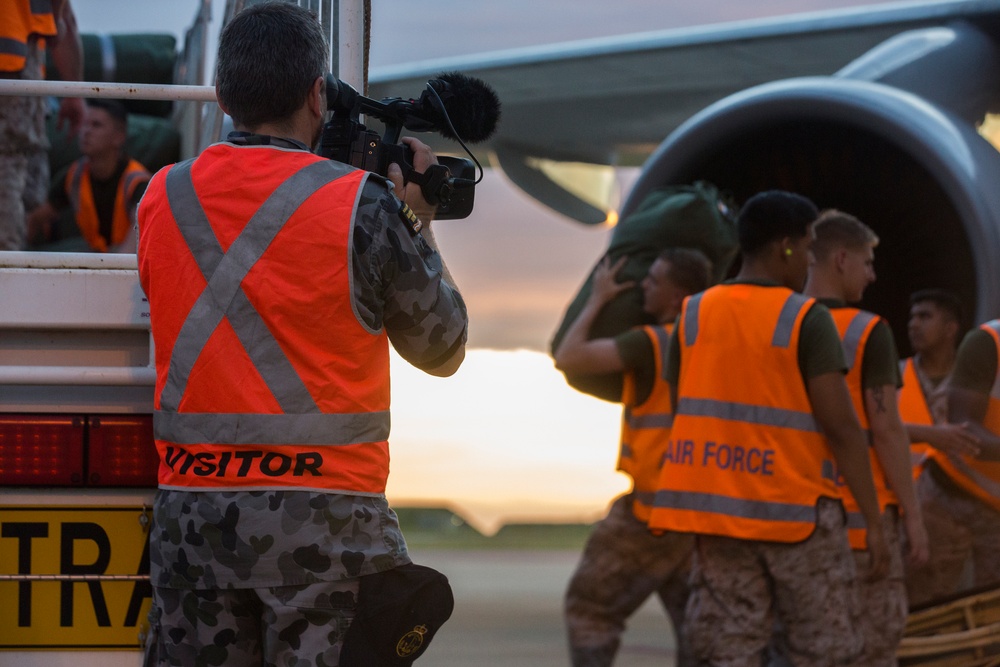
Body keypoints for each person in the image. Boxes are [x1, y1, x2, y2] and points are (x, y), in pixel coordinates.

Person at [136, 3, 468, 666]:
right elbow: (443, 345)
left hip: (195, 526)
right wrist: (419, 215)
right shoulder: (365, 204)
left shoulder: (161, 197)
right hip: (327, 533)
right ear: (318, 94)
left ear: (225, 97)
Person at [647, 190, 889, 667]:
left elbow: (684, 410)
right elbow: (842, 428)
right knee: (825, 651)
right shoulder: (806, 318)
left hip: (719, 519)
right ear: (785, 247)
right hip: (796, 518)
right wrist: (873, 522)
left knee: (729, 651)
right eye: (806, 247)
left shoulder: (693, 314)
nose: (809, 262)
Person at [554, 247, 713, 667]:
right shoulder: (717, 349)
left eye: (655, 280)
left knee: (590, 608)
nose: (645, 284)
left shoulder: (651, 344)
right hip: (702, 516)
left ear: (680, 299)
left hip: (651, 513)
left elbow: (569, 357)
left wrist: (598, 298)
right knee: (699, 629)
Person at [802, 210, 928, 665]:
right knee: (873, 646)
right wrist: (912, 516)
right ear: (840, 260)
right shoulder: (866, 331)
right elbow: (886, 429)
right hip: (859, 517)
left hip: (789, 521)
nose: (872, 275)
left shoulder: (774, 325)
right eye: (867, 262)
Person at [905, 317, 1000, 607]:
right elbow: (964, 430)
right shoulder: (989, 341)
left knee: (992, 623)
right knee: (924, 613)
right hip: (949, 496)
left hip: (997, 512)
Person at [0, 0, 84, 250]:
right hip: (13, 67)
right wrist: (74, 92)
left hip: (17, 64)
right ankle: (9, 267)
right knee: (11, 164)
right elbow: (63, 22)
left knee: (17, 169)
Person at [28, 98, 150, 252]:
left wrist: (115, 272)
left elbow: (140, 226)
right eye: (85, 124)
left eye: (96, 125)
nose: (86, 131)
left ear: (119, 137)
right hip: (98, 255)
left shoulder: (137, 181)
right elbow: (36, 218)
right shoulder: (74, 176)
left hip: (131, 261)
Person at [898, 289, 980, 479]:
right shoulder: (895, 375)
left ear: (950, 329)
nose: (913, 325)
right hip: (904, 496)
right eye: (912, 317)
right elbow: (876, 430)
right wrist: (932, 435)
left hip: (961, 495)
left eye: (924, 316)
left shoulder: (976, 379)